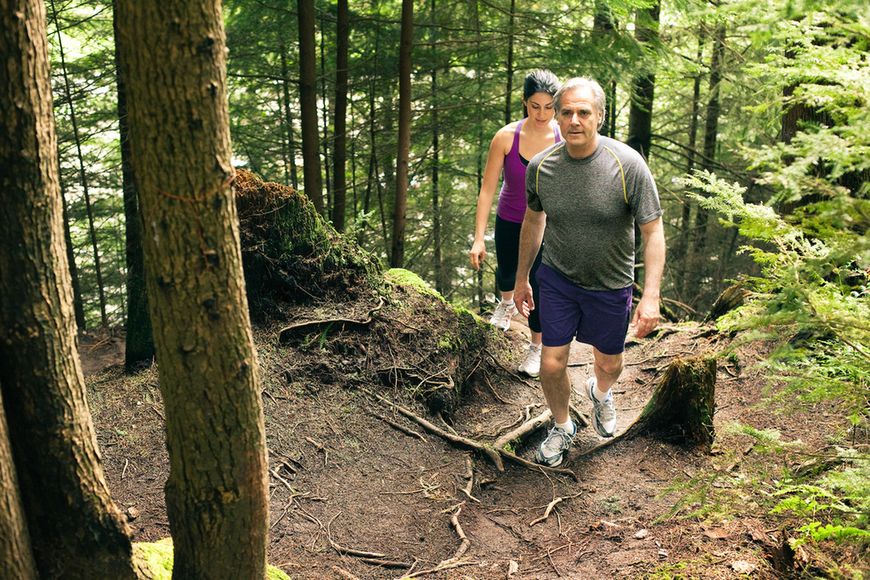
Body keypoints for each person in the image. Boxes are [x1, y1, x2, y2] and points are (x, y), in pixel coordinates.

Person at [513, 77, 665, 467]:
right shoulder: (542, 167)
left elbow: (652, 230)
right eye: (566, 112)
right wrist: (521, 278)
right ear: (557, 119)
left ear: (599, 116)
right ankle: (563, 426)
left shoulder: (627, 164)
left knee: (610, 364)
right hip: (558, 279)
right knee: (551, 363)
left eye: (583, 112)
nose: (574, 120)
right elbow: (533, 219)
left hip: (610, 284)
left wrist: (650, 296)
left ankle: (600, 393)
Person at [469, 69, 561, 378]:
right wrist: (479, 237)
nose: (542, 113)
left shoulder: (564, 138)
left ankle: (536, 347)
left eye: (549, 107)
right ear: (524, 102)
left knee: (538, 285)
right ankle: (506, 303)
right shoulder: (507, 137)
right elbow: (486, 190)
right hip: (509, 219)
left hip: (547, 227)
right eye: (535, 106)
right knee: (507, 272)